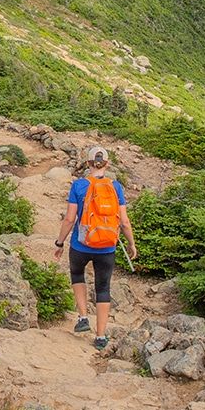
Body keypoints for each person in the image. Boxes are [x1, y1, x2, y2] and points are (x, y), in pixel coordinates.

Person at [53, 145, 137, 351]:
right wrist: (131, 243)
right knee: (103, 288)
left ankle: (83, 317)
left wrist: (60, 242)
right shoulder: (115, 187)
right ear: (106, 164)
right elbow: (124, 222)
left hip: (81, 244)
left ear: (88, 163)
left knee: (77, 274)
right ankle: (100, 337)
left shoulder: (78, 185)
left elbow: (70, 219)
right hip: (107, 246)